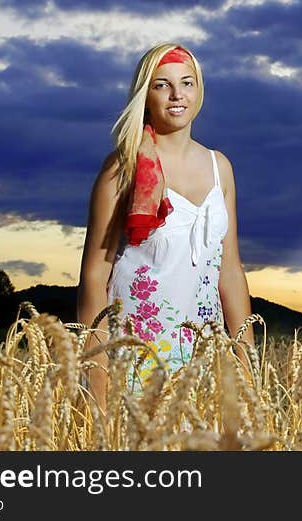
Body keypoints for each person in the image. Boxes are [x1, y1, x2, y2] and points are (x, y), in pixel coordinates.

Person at [77, 42, 255, 412]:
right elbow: (95, 275)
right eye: (162, 85)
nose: (177, 95)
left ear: (198, 90)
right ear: (146, 94)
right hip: (135, 356)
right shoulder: (122, 169)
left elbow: (231, 272)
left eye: (187, 83)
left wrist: (246, 367)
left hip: (203, 356)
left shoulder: (219, 166)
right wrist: (97, 377)